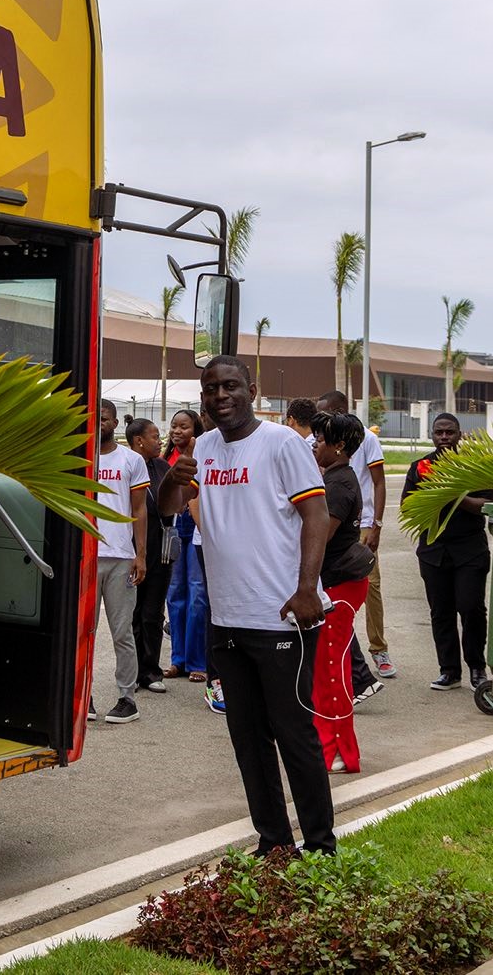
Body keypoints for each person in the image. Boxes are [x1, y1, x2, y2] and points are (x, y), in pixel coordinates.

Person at [158, 355, 338, 855]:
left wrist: (307, 589)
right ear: (203, 398)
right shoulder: (203, 449)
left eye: (231, 386)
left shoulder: (280, 443)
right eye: (212, 388)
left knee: (293, 735)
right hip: (227, 621)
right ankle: (274, 842)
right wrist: (176, 479)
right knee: (247, 739)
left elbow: (316, 516)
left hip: (283, 618)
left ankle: (321, 848)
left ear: (252, 390)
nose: (221, 396)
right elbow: (167, 509)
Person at [404, 413, 493, 691]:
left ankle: (477, 668)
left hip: (470, 550)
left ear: (460, 434)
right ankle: (449, 670)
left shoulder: (474, 467)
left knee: (471, 608)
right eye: (439, 433)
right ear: (432, 435)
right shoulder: (421, 467)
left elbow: (486, 505)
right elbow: (408, 507)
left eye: (449, 432)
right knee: (440, 612)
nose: (444, 437)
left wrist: (454, 496)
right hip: (433, 551)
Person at [310, 410, 374, 774]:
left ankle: (336, 749)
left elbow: (321, 537)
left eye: (321, 440)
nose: (316, 445)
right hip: (338, 582)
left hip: (339, 584)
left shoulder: (339, 484)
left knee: (332, 670)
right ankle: (332, 745)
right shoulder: (337, 476)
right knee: (328, 667)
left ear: (338, 446)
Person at [318, 390, 394, 683]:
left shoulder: (367, 440)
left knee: (370, 584)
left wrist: (376, 524)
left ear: (339, 410)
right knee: (333, 597)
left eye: (325, 412)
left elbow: (379, 482)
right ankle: (352, 665)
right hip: (339, 516)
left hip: (359, 521)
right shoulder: (323, 441)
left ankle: (379, 649)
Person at [90, 399, 150, 725]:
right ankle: (82, 698)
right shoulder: (79, 457)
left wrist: (140, 555)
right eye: (94, 418)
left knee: (121, 632)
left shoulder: (132, 460)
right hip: (85, 557)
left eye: (105, 419)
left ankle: (127, 698)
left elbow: (140, 510)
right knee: (82, 631)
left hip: (121, 558)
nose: (100, 423)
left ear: (115, 423)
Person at [126, 417, 173, 693]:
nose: (160, 441)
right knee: (132, 612)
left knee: (153, 613)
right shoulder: (127, 465)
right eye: (155, 437)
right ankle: (131, 670)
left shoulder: (162, 467)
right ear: (139, 441)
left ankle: (151, 671)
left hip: (161, 551)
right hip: (131, 549)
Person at [163, 410, 209, 686]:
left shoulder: (200, 453)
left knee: (197, 594)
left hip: (195, 525)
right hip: (173, 527)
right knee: (174, 593)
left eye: (184, 426)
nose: (177, 431)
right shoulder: (165, 458)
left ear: (196, 429)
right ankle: (176, 659)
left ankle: (197, 660)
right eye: (174, 426)